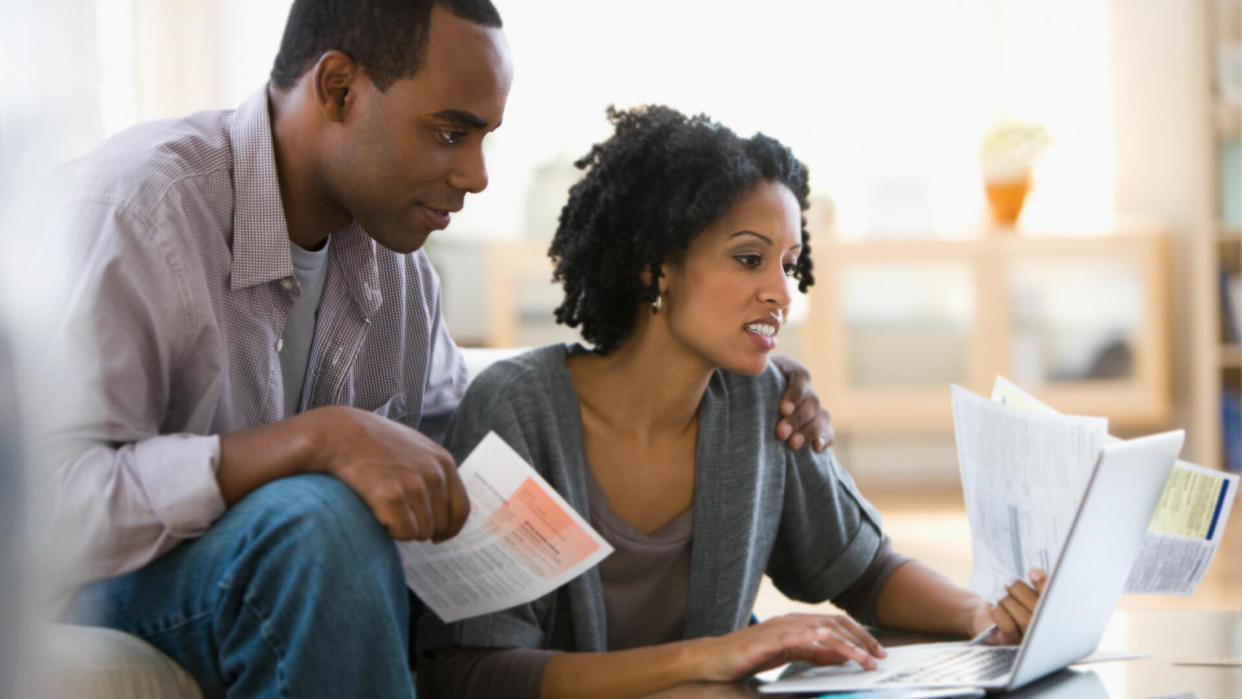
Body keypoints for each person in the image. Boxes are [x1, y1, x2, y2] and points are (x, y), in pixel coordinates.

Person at [41, 1, 834, 696]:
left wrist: (738, 374)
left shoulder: (399, 270)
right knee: (319, 522)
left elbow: (475, 445)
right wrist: (311, 442)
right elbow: (45, 506)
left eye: (485, 137)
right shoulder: (142, 209)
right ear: (339, 89)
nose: (479, 175)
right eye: (451, 132)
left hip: (274, 570)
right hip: (100, 581)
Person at [415, 106, 1048, 699]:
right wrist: (713, 655)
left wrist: (984, 617)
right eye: (749, 259)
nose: (780, 293)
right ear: (652, 268)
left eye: (788, 265)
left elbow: (864, 570)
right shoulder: (518, 415)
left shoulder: (762, 402)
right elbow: (471, 669)